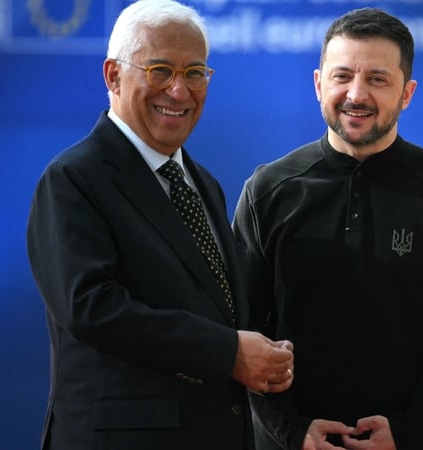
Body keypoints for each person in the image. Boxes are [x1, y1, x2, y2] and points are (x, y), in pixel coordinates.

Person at [26, 1, 294, 449]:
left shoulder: (202, 182)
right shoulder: (73, 178)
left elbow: (216, 305)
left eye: (195, 73)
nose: (179, 91)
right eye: (159, 70)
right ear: (113, 76)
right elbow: (91, 308)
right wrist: (226, 352)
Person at [232, 7, 423, 450]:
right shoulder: (268, 190)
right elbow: (241, 329)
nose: (356, 94)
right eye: (342, 76)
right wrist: (294, 432)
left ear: (406, 93)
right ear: (318, 84)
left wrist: (407, 430)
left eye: (377, 79)